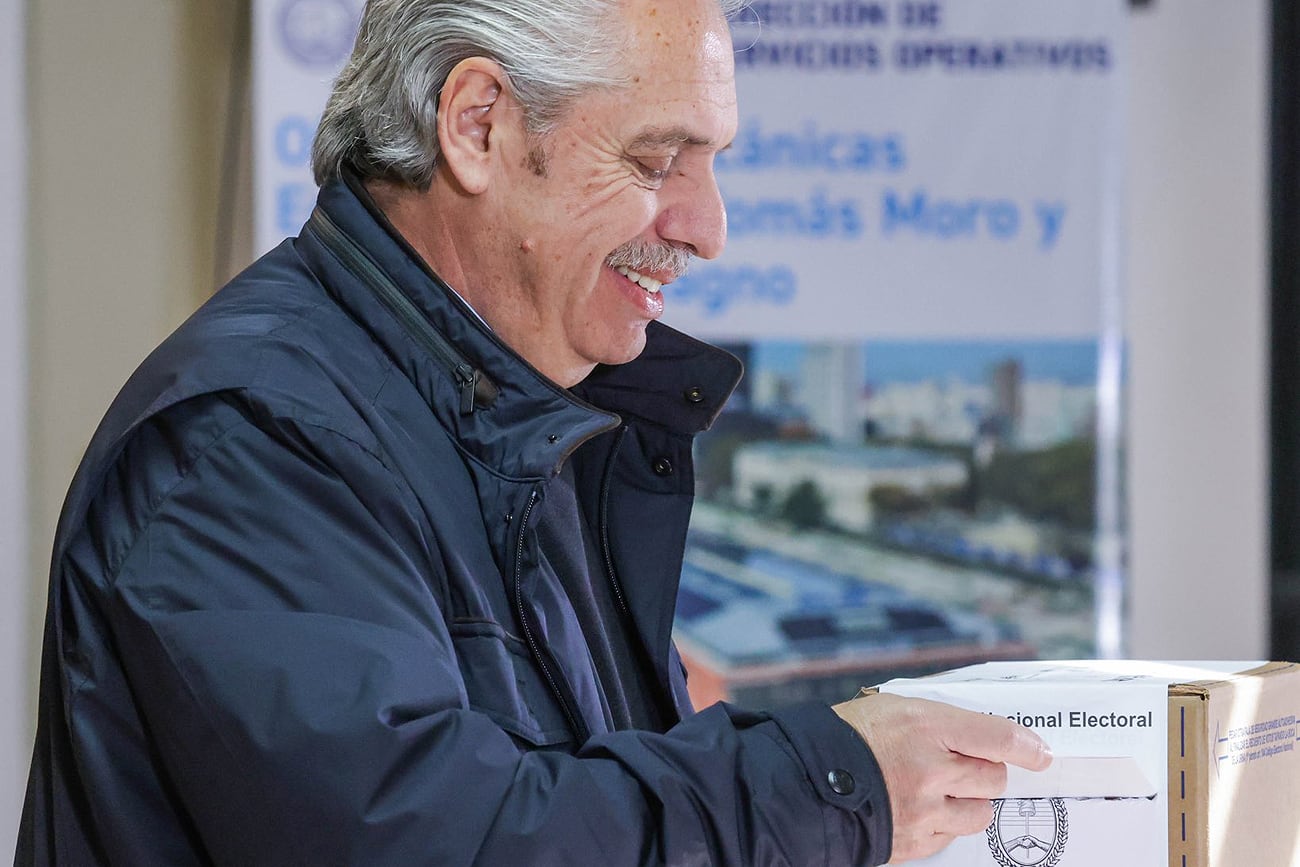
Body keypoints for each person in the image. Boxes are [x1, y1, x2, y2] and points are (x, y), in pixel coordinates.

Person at [17, 0, 1051, 864]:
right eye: (658, 158)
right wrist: (827, 787)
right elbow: (440, 846)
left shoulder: (519, 410)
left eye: (711, 162)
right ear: (476, 127)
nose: (707, 226)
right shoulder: (250, 441)